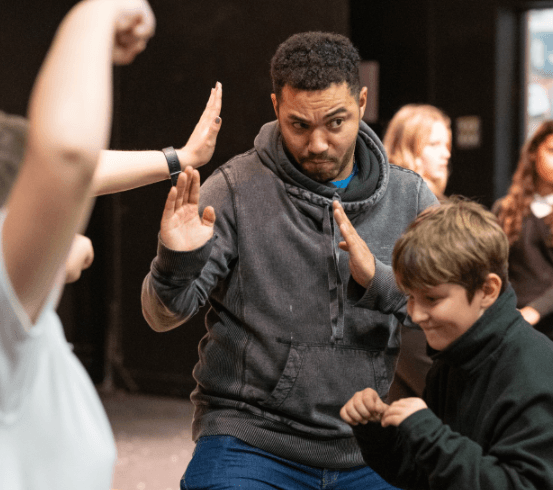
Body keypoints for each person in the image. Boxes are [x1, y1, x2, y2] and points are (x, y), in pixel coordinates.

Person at [141, 31, 437, 489]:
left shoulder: (411, 197)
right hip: (251, 436)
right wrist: (175, 262)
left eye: (335, 123)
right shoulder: (234, 189)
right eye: (300, 125)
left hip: (367, 442)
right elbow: (161, 316)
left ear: (361, 102)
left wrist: (379, 282)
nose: (318, 143)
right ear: (277, 106)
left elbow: (448, 312)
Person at [0, 1, 221, 488]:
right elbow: (67, 159)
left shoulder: (17, 326)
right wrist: (99, 12)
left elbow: (81, 171)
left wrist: (180, 158)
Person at [341, 198, 553, 490]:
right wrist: (377, 433)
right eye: (410, 297)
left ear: (487, 290)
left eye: (432, 299)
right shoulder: (452, 361)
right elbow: (424, 476)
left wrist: (431, 435)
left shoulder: (534, 372)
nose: (414, 314)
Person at [382, 104, 452, 401]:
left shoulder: (438, 202)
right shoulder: (398, 203)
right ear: (407, 147)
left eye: (446, 144)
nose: (446, 153)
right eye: (434, 144)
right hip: (409, 332)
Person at [494, 120, 553, 341]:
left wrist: (535, 310)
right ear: (534, 153)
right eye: (551, 151)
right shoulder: (505, 208)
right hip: (511, 325)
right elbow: (493, 266)